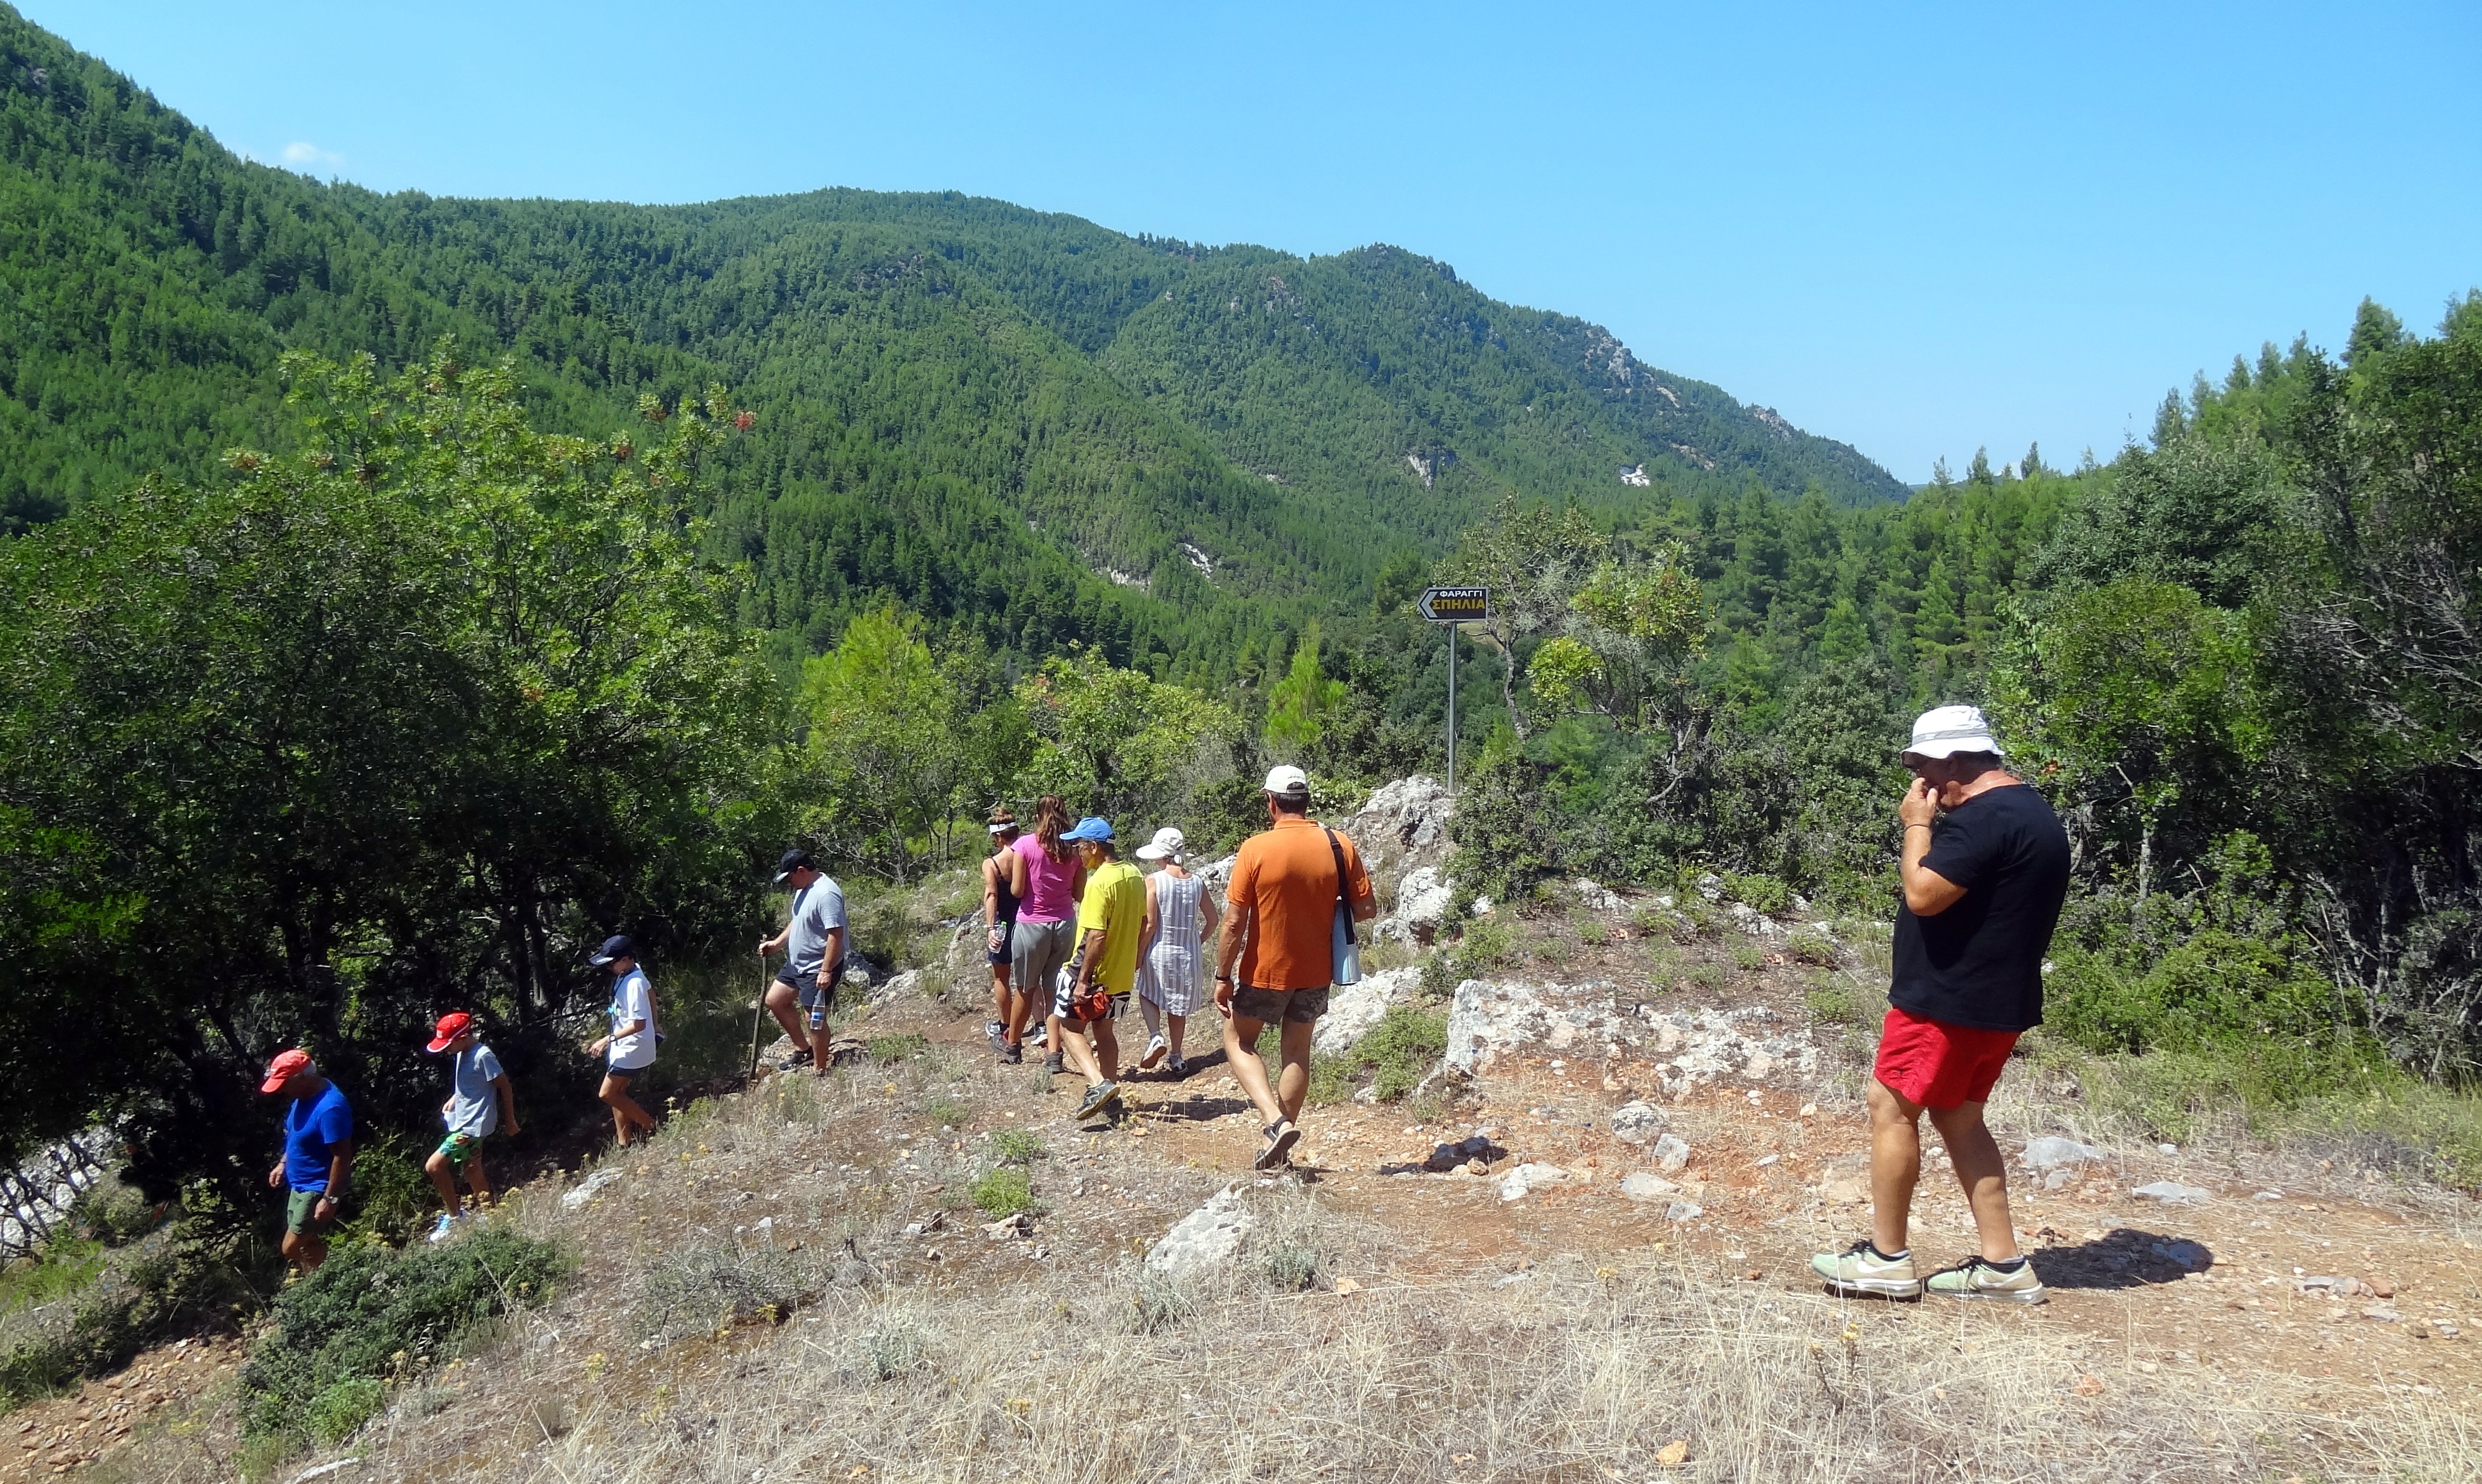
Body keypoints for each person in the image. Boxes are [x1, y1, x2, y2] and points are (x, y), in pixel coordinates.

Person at [1811, 705, 2070, 1304]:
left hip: (1947, 1002)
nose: (1916, 780)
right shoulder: (2035, 812)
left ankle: (1886, 1258)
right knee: (1959, 1115)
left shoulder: (1983, 819)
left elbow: (1923, 893)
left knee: (1892, 1106)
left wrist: (1915, 825)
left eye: (1918, 764)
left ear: (1953, 760)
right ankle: (2004, 1266)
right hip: (1999, 1002)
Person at [1214, 765, 1375, 1170]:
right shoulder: (1339, 844)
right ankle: (1280, 1149)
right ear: (1306, 801)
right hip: (1318, 971)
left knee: (1237, 1039)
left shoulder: (1255, 849)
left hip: (1265, 971)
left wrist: (1221, 975)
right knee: (1297, 1051)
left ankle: (1274, 1121)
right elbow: (1367, 908)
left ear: (1271, 803)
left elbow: (1234, 922)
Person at [1054, 816, 1147, 1118]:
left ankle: (1098, 1085)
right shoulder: (1135, 875)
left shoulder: (1098, 883)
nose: (1078, 854)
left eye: (1080, 847)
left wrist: (1082, 981)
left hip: (1093, 973)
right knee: (1105, 1031)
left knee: (1068, 1027)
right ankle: (1111, 1094)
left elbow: (1096, 936)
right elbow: (1145, 923)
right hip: (1120, 975)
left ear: (1094, 847)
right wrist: (1136, 958)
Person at [420, 1012, 518, 1243]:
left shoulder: (483, 1055)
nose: (445, 1049)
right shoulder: (462, 1052)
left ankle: (455, 1217)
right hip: (464, 1121)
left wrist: (510, 1119)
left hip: (472, 1127)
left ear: (463, 1037)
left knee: (434, 1167)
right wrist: (456, 1097)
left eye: (448, 1044)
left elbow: (504, 1086)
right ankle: (492, 1216)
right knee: (473, 1169)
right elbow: (472, 1082)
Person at [1134, 825, 1218, 1077]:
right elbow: (1213, 920)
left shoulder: (1154, 881)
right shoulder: (1197, 882)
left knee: (1147, 993)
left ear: (1162, 855)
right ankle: (1177, 1057)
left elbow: (1151, 924)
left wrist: (1138, 953)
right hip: (1187, 954)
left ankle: (1155, 1036)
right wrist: (1197, 941)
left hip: (1160, 949)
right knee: (1177, 1006)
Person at [260, 1049, 353, 1275]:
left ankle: (335, 1274)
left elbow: (342, 1155)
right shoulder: (302, 1098)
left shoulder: (330, 1108)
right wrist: (283, 1163)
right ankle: (321, 1280)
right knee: (303, 1243)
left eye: (284, 1084)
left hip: (316, 1187)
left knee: (290, 1248)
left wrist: (329, 1199)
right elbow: (295, 1134)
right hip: (298, 1184)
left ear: (302, 1077)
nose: (281, 1090)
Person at [1010, 795, 1084, 1073]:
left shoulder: (1025, 845)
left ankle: (1013, 1044)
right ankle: (1054, 1053)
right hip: (1065, 924)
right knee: (1055, 989)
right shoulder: (1074, 850)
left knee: (1026, 988)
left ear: (1037, 815)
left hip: (1032, 924)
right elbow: (1079, 893)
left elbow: (1017, 890)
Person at [758, 848, 846, 1075]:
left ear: (801, 871)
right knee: (775, 1001)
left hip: (818, 967)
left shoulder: (826, 894)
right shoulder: (803, 889)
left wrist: (826, 970)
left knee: (814, 1020)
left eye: (789, 877)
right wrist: (777, 944)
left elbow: (836, 934)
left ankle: (820, 1068)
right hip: (797, 963)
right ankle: (803, 1049)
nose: (789, 883)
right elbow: (798, 921)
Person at [585, 934, 661, 1146]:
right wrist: (657, 1023)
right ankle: (624, 1142)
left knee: (607, 1094)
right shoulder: (633, 972)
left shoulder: (634, 982)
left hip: (632, 1048)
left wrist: (605, 1040)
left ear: (626, 959)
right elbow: (652, 993)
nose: (609, 967)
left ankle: (652, 1126)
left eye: (612, 963)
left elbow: (638, 1024)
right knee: (618, 1093)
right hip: (624, 1047)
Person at [981, 809, 1031, 1061]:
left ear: (998, 837)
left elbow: (992, 894)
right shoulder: (1028, 855)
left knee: (1001, 978)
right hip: (1030, 921)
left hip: (1003, 922)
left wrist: (991, 928)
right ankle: (1041, 1023)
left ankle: (1006, 1026)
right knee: (1033, 978)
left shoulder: (992, 863)